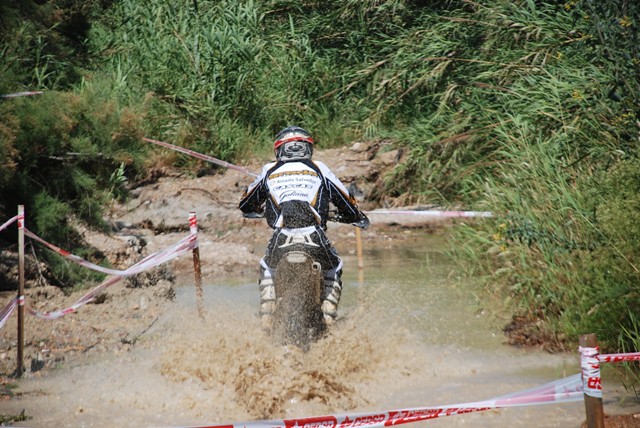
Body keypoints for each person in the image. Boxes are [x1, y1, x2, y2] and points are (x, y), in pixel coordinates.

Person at [239, 126, 369, 329]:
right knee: (334, 268)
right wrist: (354, 215)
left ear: (279, 149)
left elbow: (245, 204)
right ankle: (328, 316)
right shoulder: (319, 168)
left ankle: (267, 312)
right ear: (308, 148)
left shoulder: (269, 170)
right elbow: (346, 200)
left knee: (267, 267)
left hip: (281, 237)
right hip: (314, 236)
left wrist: (258, 207)